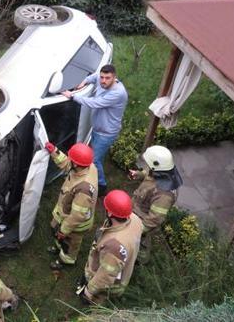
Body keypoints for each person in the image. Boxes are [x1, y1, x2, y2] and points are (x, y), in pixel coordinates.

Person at [62, 64, 128, 196]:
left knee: (94, 160)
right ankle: (93, 175)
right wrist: (84, 82)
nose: (103, 81)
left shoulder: (118, 93)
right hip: (98, 129)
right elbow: (94, 76)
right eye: (102, 77)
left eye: (107, 78)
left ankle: (102, 186)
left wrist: (72, 96)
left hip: (106, 133)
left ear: (114, 77)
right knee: (96, 156)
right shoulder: (101, 79)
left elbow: (95, 103)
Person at [77, 190, 142, 304]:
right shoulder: (135, 220)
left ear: (111, 214)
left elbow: (105, 277)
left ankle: (94, 308)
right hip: (121, 265)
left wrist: (89, 291)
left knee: (94, 299)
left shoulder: (114, 246)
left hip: (109, 284)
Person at [45, 141, 98, 270]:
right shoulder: (87, 165)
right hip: (66, 212)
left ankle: (66, 261)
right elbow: (68, 164)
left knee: (70, 243)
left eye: (72, 159)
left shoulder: (84, 189)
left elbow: (77, 216)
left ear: (77, 164)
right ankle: (59, 246)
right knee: (57, 231)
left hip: (75, 224)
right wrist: (54, 151)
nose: (69, 161)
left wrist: (64, 230)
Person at [128, 145, 182, 262]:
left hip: (143, 222)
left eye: (148, 164)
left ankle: (140, 258)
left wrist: (133, 231)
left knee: (139, 241)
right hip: (137, 210)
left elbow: (153, 220)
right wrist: (139, 174)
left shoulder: (164, 196)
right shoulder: (161, 169)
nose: (147, 166)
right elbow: (149, 173)